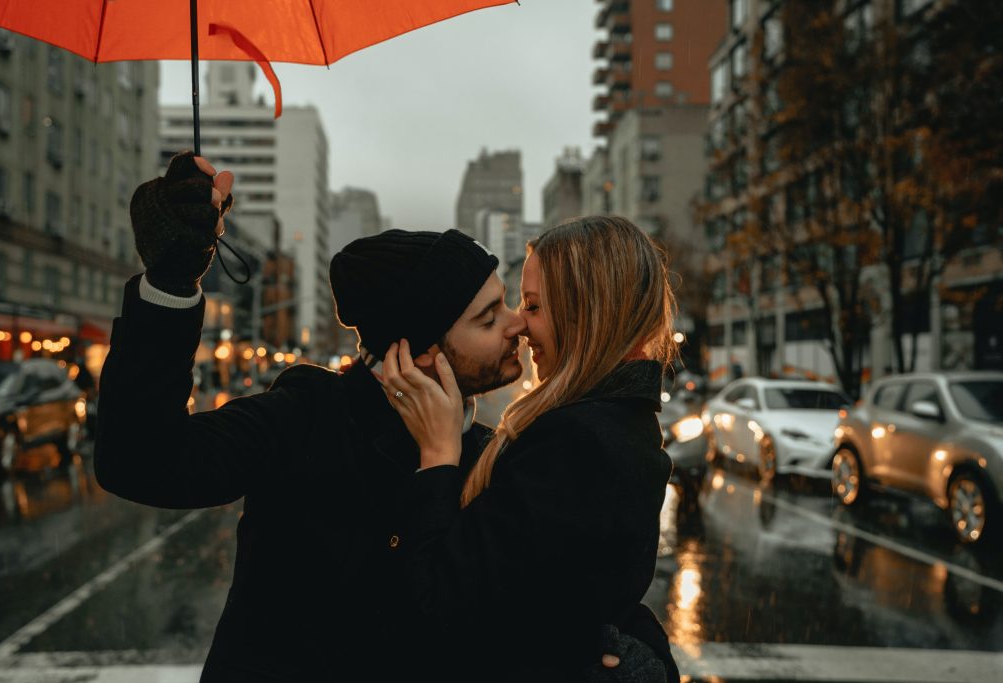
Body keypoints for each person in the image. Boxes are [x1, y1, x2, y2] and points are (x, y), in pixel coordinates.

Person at [95, 152, 641, 680]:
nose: (517, 325)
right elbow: (141, 461)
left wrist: (635, 650)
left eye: (509, 304)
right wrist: (170, 284)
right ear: (424, 349)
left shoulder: (485, 449)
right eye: (488, 316)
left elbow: (561, 583)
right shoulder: (306, 417)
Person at [379, 216, 682, 682]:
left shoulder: (579, 443)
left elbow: (439, 606)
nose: (519, 323)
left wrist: (438, 457)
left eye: (534, 306)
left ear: (587, 315)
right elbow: (581, 594)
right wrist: (647, 648)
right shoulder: (619, 423)